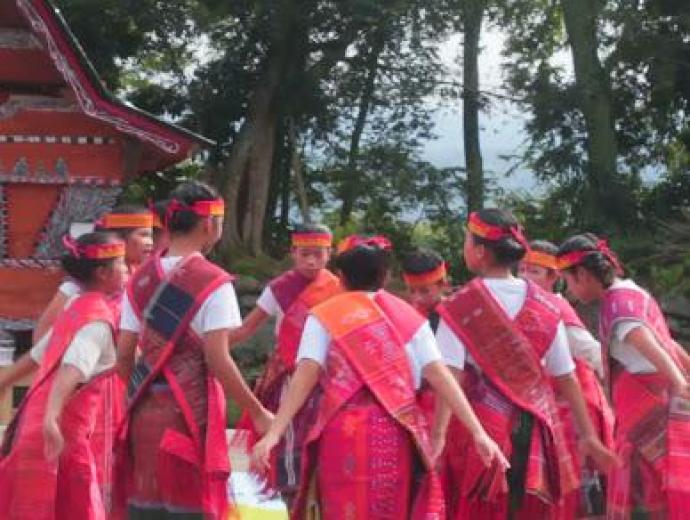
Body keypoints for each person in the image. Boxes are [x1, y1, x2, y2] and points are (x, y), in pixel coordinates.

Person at [253, 235, 509, 520]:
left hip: (342, 430)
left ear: (341, 277)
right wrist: (478, 432)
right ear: (385, 277)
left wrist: (274, 433)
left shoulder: (325, 315)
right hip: (396, 430)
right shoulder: (409, 317)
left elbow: (306, 374)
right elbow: (441, 376)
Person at [435, 210, 617, 519]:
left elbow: (449, 378)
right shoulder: (546, 305)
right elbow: (566, 376)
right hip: (537, 429)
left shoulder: (459, 307)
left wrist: (438, 437)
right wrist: (588, 435)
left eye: (467, 240)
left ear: (480, 251)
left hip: (481, 429)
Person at [114, 181, 272, 520]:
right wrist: (257, 412)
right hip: (189, 412)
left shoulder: (139, 279)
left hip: (143, 411)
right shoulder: (213, 281)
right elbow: (218, 358)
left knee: (146, 504)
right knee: (189, 506)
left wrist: (140, 394)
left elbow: (124, 354)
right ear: (209, 225)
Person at [557, 234, 690, 519]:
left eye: (568, 281)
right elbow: (668, 343)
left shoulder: (616, 304)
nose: (569, 290)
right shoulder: (635, 292)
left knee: (643, 492)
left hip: (646, 414)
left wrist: (679, 381)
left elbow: (643, 339)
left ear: (582, 275)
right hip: (662, 406)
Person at [0, 231, 127, 519]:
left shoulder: (76, 307)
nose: (127, 269)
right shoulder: (97, 321)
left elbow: (39, 354)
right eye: (121, 263)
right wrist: (51, 416)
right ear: (103, 273)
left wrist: (5, 381)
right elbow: (73, 368)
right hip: (61, 434)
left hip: (37, 429)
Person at [231, 223, 341, 503]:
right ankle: (291, 498)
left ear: (330, 253)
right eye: (305, 254)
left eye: (318, 254)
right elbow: (247, 328)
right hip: (289, 375)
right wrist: (212, 344)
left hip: (327, 377)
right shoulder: (279, 288)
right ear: (293, 252)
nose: (311, 261)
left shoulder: (338, 288)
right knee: (288, 443)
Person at [520, 240, 614, 518]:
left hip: (574, 406)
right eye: (522, 269)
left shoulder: (556, 307)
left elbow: (589, 351)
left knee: (573, 484)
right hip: (550, 405)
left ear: (554, 277)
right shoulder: (524, 305)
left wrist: (620, 376)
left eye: (534, 271)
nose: (525, 276)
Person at [33, 205, 154, 342]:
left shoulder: (142, 279)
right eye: (144, 235)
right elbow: (41, 336)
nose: (150, 243)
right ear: (119, 238)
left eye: (151, 236)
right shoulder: (77, 287)